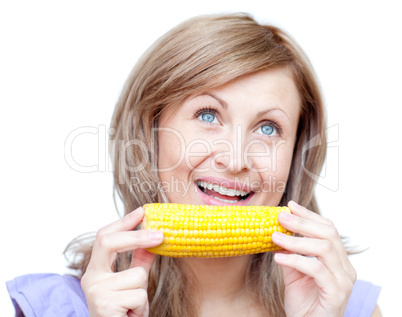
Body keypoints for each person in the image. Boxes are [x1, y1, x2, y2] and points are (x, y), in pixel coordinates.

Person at [6, 13, 381, 317]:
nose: (235, 160)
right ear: (149, 131)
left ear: (297, 154)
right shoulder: (55, 308)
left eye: (268, 128)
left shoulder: (345, 306)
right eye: (207, 115)